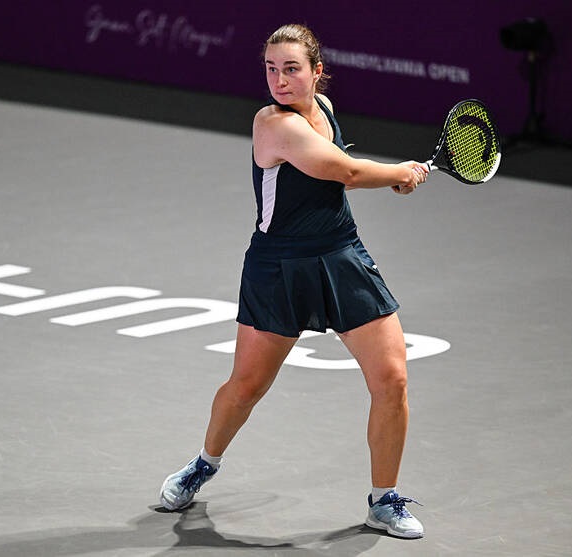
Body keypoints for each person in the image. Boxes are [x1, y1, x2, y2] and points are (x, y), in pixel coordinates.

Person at [159, 23, 428, 539]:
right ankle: (203, 463)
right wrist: (399, 172)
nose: (279, 80)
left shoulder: (323, 109)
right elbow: (347, 173)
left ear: (317, 72)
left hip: (342, 255)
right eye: (271, 69)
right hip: (278, 266)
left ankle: (384, 500)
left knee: (392, 379)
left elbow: (338, 176)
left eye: (291, 69)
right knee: (246, 386)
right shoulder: (272, 123)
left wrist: (394, 176)